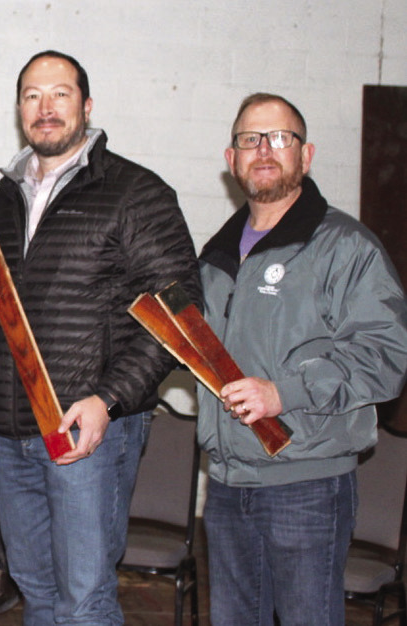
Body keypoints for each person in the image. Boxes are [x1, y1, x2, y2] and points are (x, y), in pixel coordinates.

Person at [0, 50, 200, 624]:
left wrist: (108, 399)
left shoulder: (134, 191)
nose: (45, 108)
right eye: (32, 96)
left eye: (60, 94)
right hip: (16, 428)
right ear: (19, 109)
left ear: (87, 105)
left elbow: (179, 309)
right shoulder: (5, 196)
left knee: (84, 594)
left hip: (89, 429)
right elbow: (13, 309)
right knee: (36, 587)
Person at [197, 93, 407, 625]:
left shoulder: (345, 247)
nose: (263, 149)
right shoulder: (216, 256)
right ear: (231, 159)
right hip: (225, 483)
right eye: (250, 139)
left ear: (306, 155)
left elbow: (387, 354)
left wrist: (282, 392)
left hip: (306, 487)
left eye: (279, 138)